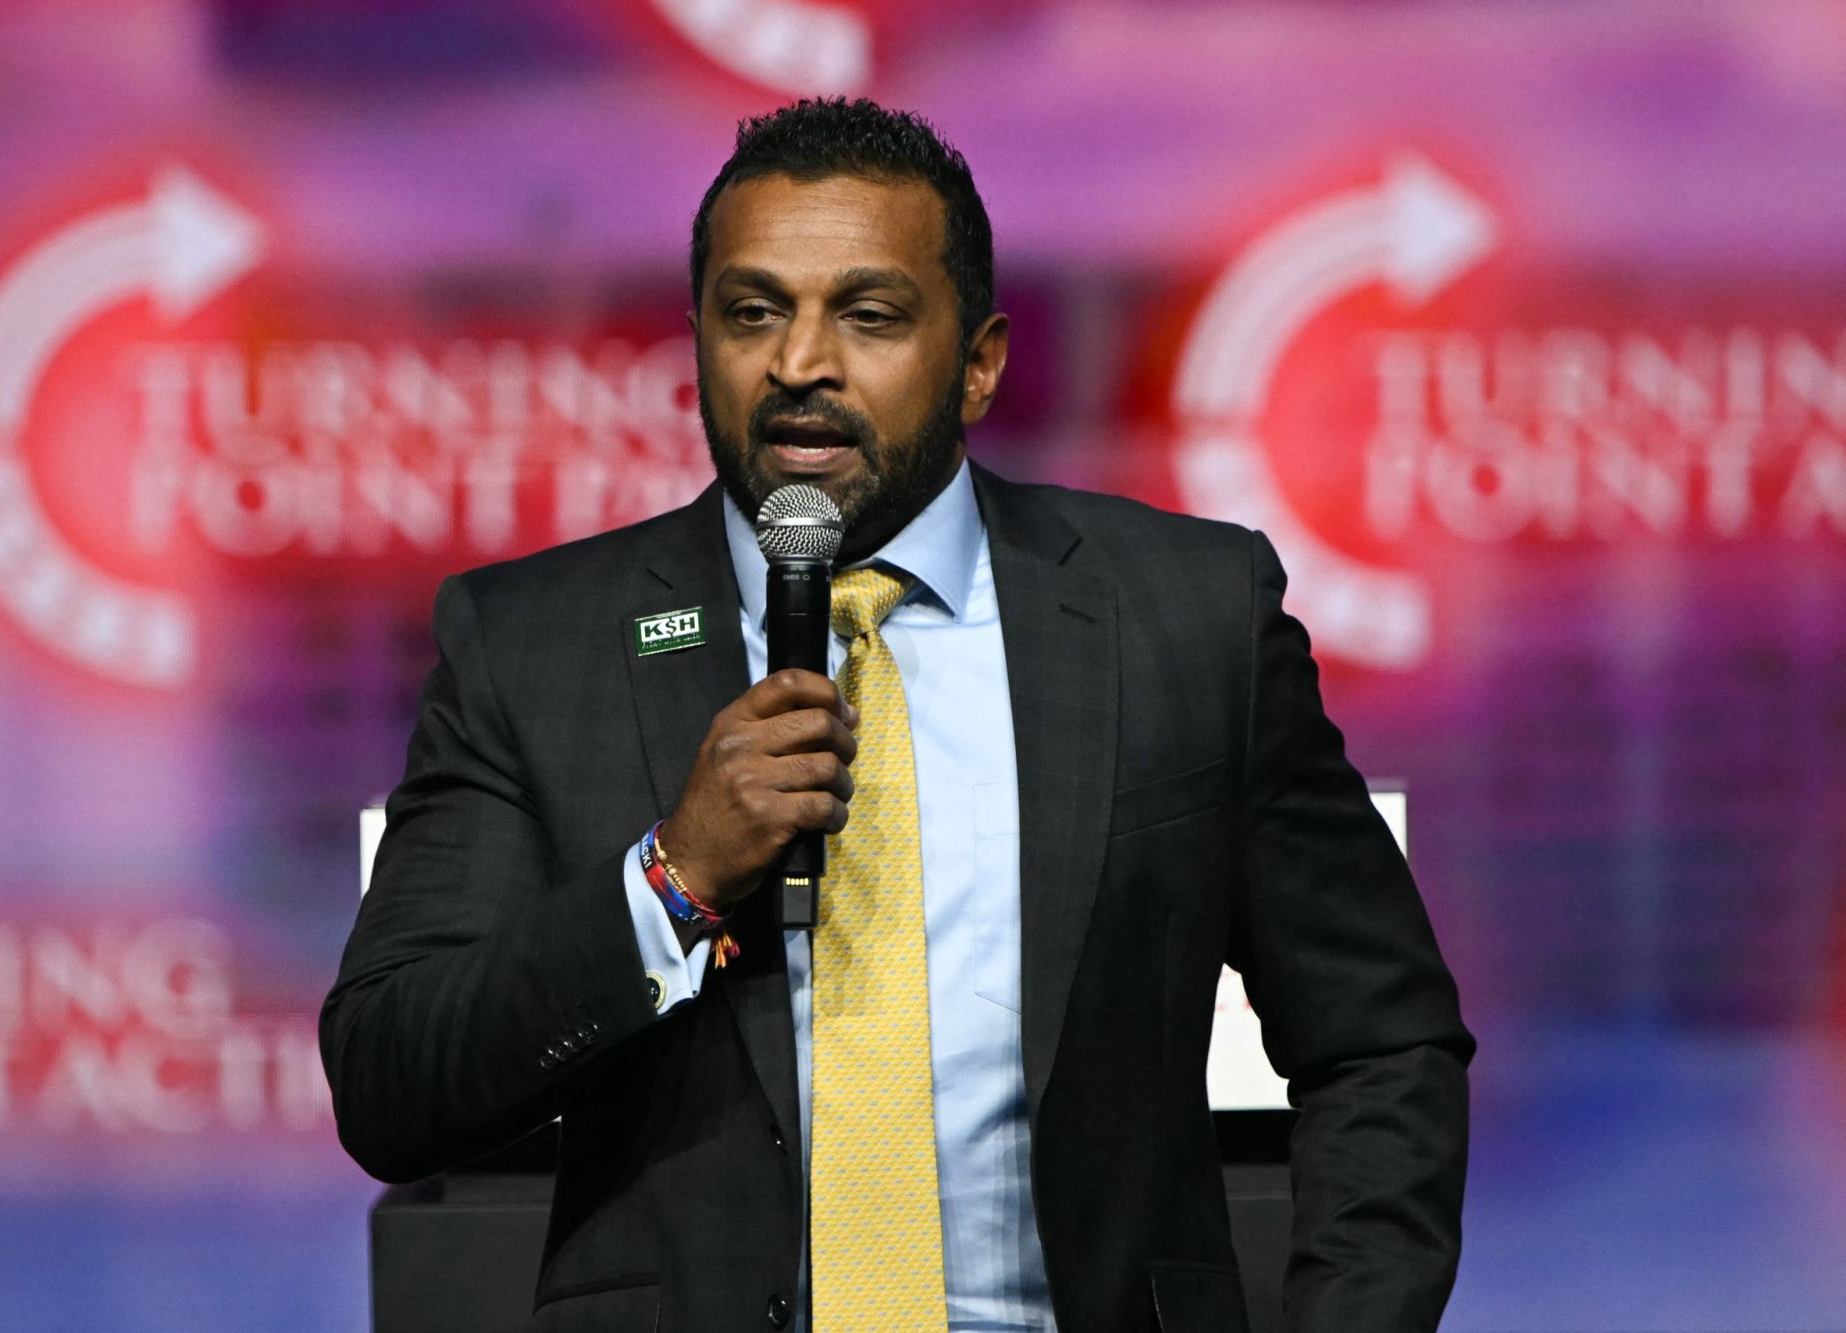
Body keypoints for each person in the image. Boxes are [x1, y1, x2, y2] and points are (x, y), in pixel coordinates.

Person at [321, 98, 1472, 1333]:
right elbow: (394, 1083)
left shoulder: (1183, 617)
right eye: (752, 311)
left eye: (868, 316)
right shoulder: (536, 645)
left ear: (977, 362)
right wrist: (674, 877)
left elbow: (1381, 1042)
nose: (800, 364)